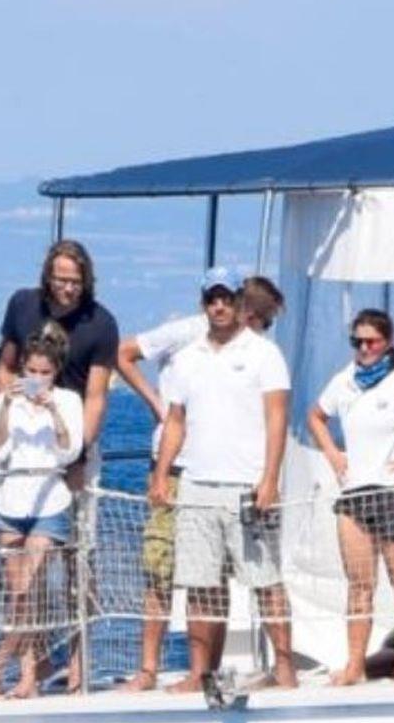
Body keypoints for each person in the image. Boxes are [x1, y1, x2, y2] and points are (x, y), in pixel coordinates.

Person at [114, 276, 285, 693]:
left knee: (260, 578)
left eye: (227, 299)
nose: (219, 307)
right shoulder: (187, 347)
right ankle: (176, 671)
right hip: (189, 479)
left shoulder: (263, 352)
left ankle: (279, 669)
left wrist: (270, 477)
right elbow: (170, 411)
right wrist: (160, 471)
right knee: (182, 576)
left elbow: (276, 415)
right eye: (213, 299)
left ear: (239, 303)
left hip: (243, 483)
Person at [0, 239, 119, 691]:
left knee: (76, 559)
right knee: (21, 567)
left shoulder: (101, 323)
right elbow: (5, 368)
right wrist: (5, 416)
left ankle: (80, 657)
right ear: (48, 276)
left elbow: (97, 396)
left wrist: (79, 455)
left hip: (72, 451)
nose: (67, 288)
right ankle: (39, 659)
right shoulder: (21, 305)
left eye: (75, 281)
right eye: (60, 279)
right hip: (24, 454)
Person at [311, 311, 394, 684]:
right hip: (354, 493)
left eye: (371, 341)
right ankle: (355, 665)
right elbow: (315, 416)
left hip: (393, 489)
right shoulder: (344, 380)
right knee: (360, 585)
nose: (364, 348)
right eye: (357, 341)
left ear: (388, 342)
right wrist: (333, 453)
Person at [0, 326, 84, 699]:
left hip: (49, 501)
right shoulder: (10, 400)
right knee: (19, 594)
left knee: (29, 587)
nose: (37, 379)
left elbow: (69, 451)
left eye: (44, 373)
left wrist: (52, 410)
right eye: (31, 371)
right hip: (11, 502)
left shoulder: (68, 400)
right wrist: (6, 406)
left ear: (55, 373)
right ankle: (28, 673)